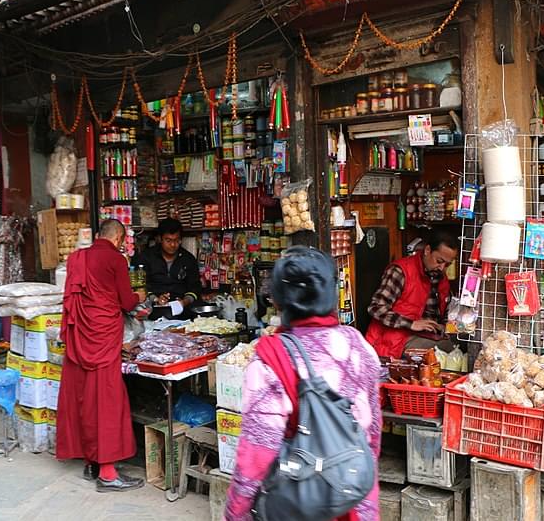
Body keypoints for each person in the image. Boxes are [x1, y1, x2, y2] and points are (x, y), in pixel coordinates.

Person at [225, 247, 382, 520]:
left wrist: (235, 513)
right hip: (353, 496)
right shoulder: (359, 346)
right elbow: (372, 435)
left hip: (297, 501)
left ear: (278, 299)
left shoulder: (270, 359)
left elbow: (256, 457)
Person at [56, 219, 147, 492]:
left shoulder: (76, 258)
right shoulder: (116, 260)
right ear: (118, 239)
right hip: (104, 338)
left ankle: (90, 463)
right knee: (107, 401)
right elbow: (125, 301)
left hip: (81, 336)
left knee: (84, 397)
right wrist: (139, 295)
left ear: (97, 236)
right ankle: (107, 473)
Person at [365, 231, 458, 358]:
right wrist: (411, 324)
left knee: (459, 346)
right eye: (439, 261)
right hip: (393, 340)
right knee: (445, 350)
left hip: (427, 335)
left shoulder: (441, 277)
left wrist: (443, 326)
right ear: (427, 250)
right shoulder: (400, 271)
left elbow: (444, 313)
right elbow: (376, 308)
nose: (442, 268)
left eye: (447, 264)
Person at [131, 218, 201, 318]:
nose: (173, 245)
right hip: (152, 311)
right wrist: (155, 299)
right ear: (160, 239)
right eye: (168, 240)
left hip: (182, 313)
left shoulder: (188, 259)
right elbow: (139, 286)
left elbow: (195, 287)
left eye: (177, 240)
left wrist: (184, 302)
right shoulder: (145, 257)